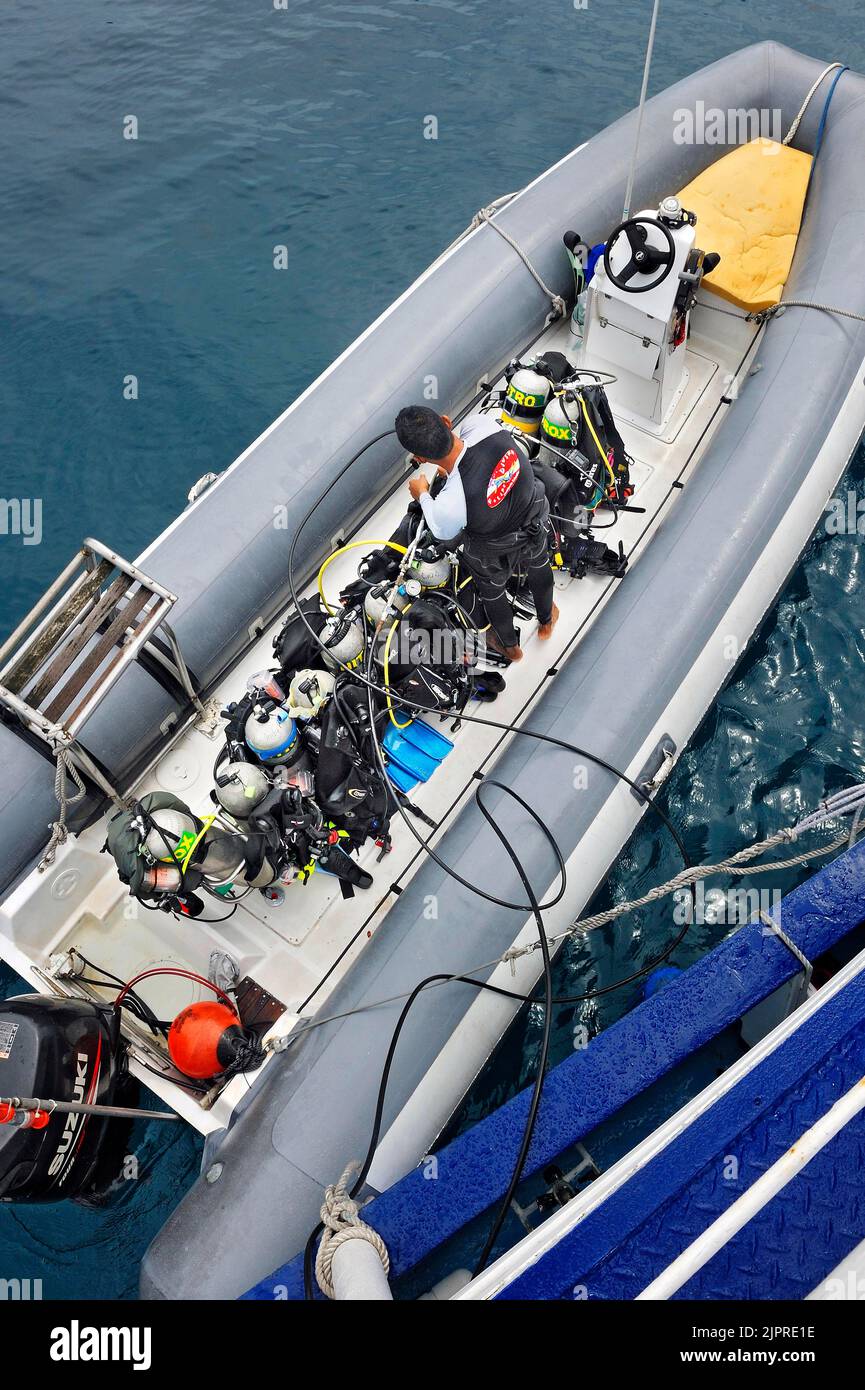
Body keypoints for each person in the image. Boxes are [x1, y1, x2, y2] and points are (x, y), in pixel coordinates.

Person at [395, 405, 558, 661]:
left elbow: (442, 530)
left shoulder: (449, 505)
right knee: (539, 564)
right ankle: (546, 619)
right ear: (447, 421)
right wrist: (451, 474)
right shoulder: (481, 425)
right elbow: (483, 469)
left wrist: (422, 493)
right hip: (533, 518)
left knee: (492, 594)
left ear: (421, 458)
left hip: (495, 549)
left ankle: (511, 648)